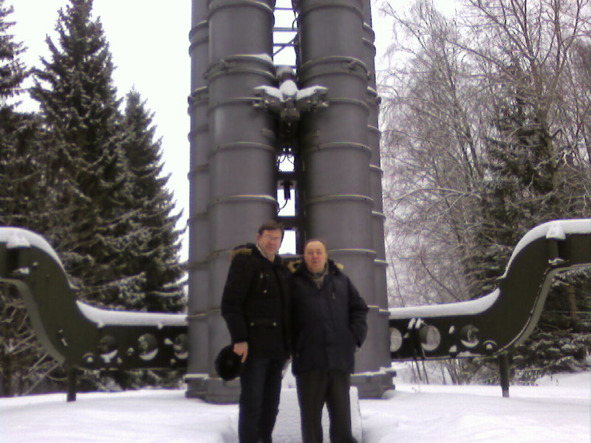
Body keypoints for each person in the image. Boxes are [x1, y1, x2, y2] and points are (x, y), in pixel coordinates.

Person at [288, 239, 368, 443]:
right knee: (311, 426)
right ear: (304, 257)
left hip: (338, 362)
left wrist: (354, 338)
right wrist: (294, 346)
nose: (314, 256)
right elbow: (283, 319)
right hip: (308, 364)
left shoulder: (341, 281)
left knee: (342, 424)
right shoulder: (292, 284)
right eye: (310, 252)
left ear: (325, 256)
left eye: (318, 252)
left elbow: (359, 309)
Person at [221, 220, 290, 443]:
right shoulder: (245, 262)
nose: (272, 242)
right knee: (253, 403)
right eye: (268, 237)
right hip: (254, 348)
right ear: (258, 238)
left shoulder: (280, 268)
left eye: (277, 238)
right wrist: (240, 339)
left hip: (277, 350)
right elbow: (231, 304)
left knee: (271, 404)